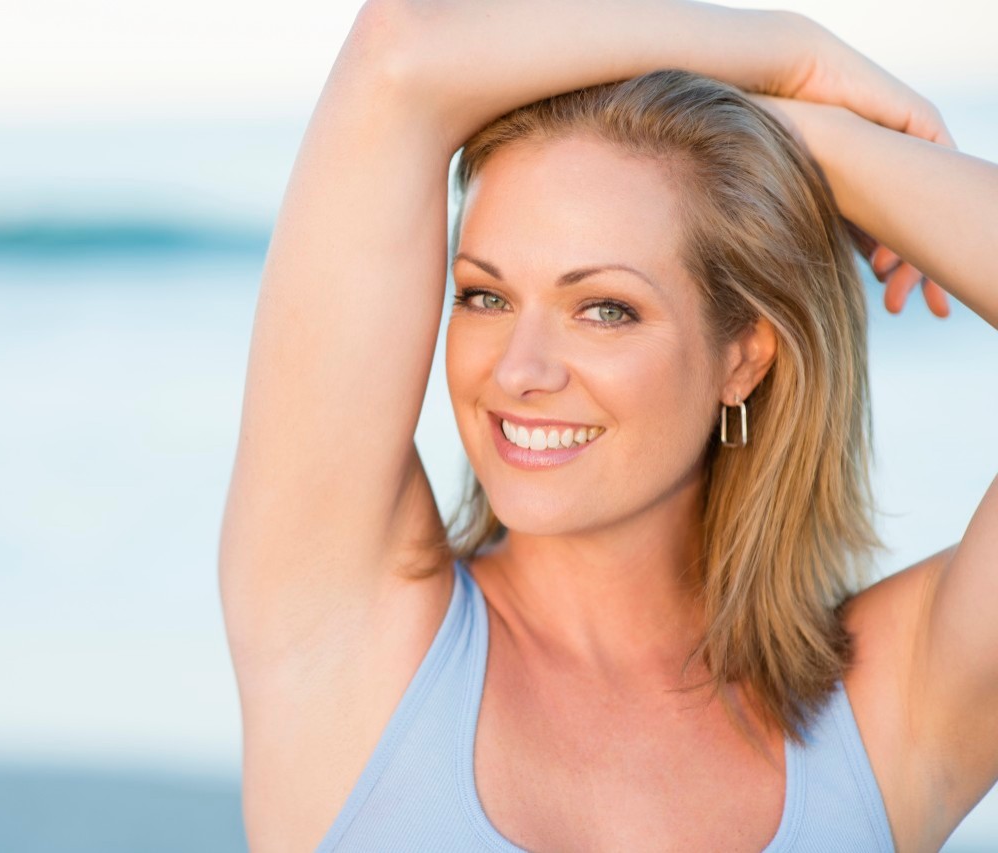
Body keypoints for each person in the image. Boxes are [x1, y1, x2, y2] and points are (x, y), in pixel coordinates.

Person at [218, 1, 998, 850]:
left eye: (604, 309)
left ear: (744, 356)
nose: (518, 370)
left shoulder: (894, 702)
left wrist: (803, 146)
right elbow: (397, 56)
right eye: (485, 295)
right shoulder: (349, 628)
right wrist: (792, 53)